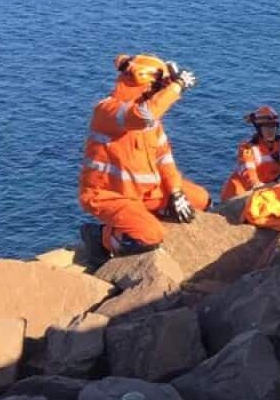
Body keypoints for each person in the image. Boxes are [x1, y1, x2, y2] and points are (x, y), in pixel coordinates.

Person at [79, 54, 209, 262]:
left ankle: (140, 218)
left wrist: (175, 192)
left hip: (145, 193)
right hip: (110, 196)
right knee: (149, 236)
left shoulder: (151, 122)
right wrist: (176, 88)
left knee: (200, 200)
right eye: (156, 87)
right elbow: (141, 116)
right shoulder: (107, 111)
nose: (158, 92)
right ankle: (102, 236)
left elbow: (164, 158)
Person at [220, 105, 280, 201]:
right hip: (237, 193)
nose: (270, 131)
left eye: (273, 126)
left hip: (264, 189)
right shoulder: (248, 148)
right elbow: (249, 172)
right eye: (266, 127)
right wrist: (257, 185)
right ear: (259, 129)